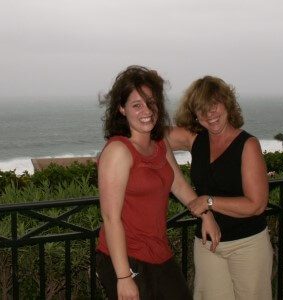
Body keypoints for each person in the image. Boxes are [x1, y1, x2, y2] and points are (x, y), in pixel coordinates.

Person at [96, 66, 220, 300]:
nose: (147, 111)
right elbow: (111, 218)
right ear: (121, 109)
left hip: (158, 251)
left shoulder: (159, 144)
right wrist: (123, 277)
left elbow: (179, 185)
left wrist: (206, 215)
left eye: (151, 103)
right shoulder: (118, 152)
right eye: (137, 105)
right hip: (126, 257)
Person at [166, 75, 273, 300]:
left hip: (247, 245)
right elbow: (152, 135)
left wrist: (208, 201)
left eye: (214, 105)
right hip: (207, 245)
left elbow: (257, 204)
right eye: (202, 109)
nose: (210, 114)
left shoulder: (247, 145)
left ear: (227, 103)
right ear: (195, 114)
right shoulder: (195, 139)